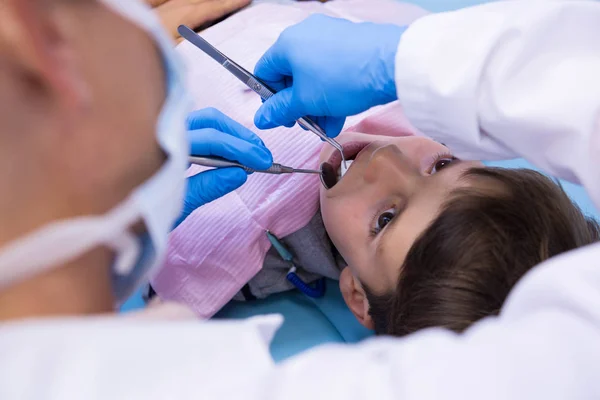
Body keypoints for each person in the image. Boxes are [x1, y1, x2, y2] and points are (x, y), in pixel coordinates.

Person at [1, 1, 600, 400]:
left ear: (356, 297)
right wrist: (403, 57)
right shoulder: (427, 91)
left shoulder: (233, 250)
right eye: (441, 165)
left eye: (385, 220)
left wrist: (122, 278)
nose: (385, 161)